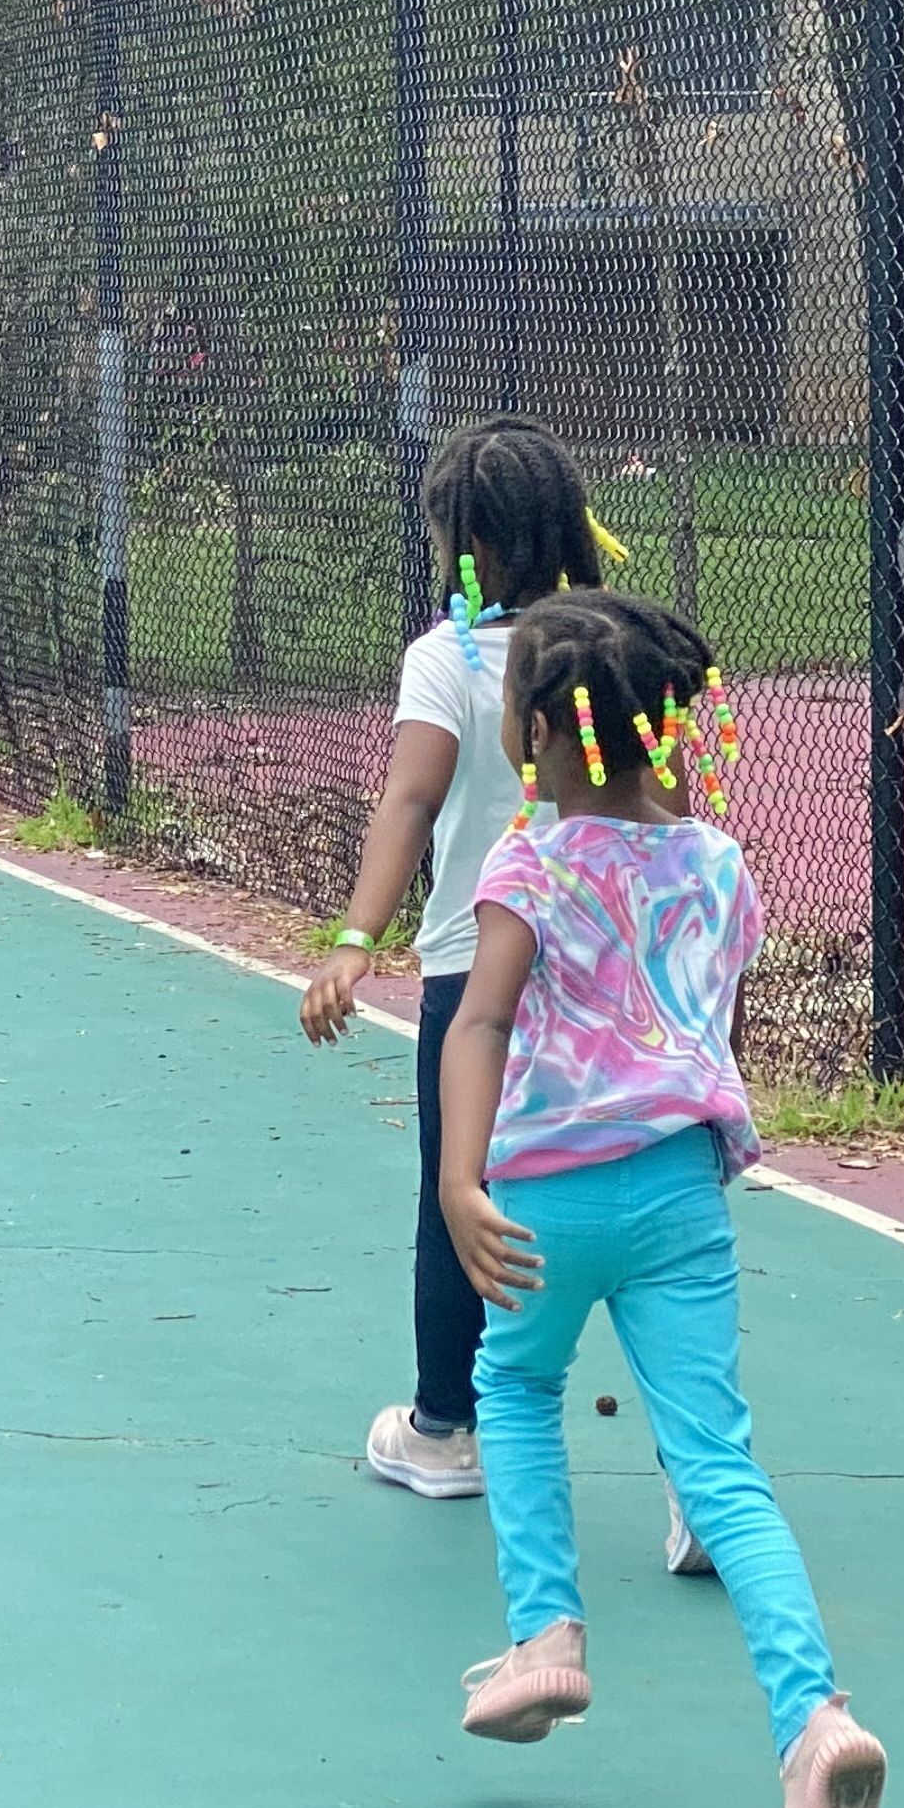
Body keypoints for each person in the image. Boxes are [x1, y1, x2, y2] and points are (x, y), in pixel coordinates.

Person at [433, 589, 889, 1808]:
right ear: (660, 727)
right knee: (718, 1463)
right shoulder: (718, 864)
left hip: (544, 1193)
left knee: (516, 1391)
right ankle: (814, 1722)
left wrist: (463, 1179)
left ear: (537, 730)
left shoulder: (529, 860)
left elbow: (482, 1022)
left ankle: (546, 1638)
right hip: (683, 1191)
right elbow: (707, 1020)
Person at [299, 418, 609, 1502]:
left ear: (460, 544)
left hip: (472, 980)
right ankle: (701, 1475)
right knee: (639, 1202)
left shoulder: (449, 659)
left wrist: (354, 938)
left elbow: (411, 798)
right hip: (602, 980)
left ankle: (443, 1429)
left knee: (457, 1189)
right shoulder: (610, 649)